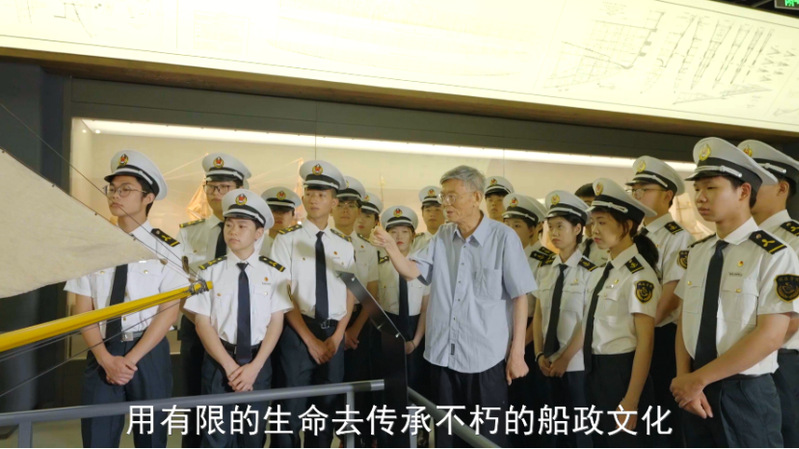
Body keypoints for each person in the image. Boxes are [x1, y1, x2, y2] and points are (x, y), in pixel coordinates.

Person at [371, 165, 534, 447]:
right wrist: (391, 247)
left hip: (485, 360)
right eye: (443, 196)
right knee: (448, 438)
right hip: (444, 357)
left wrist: (517, 354)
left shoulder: (503, 238)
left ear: (476, 197)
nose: (445, 203)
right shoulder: (443, 236)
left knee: (487, 439)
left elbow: (521, 297)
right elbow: (411, 271)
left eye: (452, 197)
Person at [671, 137, 799, 447]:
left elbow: (771, 336)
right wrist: (685, 378)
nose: (700, 197)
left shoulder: (775, 254)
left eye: (711, 188)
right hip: (695, 390)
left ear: (743, 192)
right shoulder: (699, 252)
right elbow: (686, 322)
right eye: (697, 189)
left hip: (744, 391)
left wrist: (697, 379)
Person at [64, 150, 186, 448]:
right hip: (102, 351)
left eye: (126, 189)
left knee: (152, 438)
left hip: (148, 352)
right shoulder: (93, 246)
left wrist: (129, 361)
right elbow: (83, 309)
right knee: (97, 438)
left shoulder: (168, 248)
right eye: (113, 189)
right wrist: (106, 360)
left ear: (148, 197)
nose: (115, 196)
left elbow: (168, 312)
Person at [184, 189, 292, 448]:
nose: (233, 231)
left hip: (258, 363)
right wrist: (229, 367)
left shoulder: (274, 273)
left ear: (258, 233)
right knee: (215, 438)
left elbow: (276, 322)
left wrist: (255, 367)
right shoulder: (208, 272)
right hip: (219, 363)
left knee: (252, 437)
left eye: (242, 226)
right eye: (229, 225)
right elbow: (202, 323)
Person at [269, 160, 357, 448]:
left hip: (333, 333)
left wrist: (338, 335)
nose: (314, 199)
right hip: (298, 332)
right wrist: (309, 340)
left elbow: (350, 292)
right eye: (310, 193)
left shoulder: (343, 244)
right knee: (290, 409)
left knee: (325, 411)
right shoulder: (287, 240)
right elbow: (283, 293)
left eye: (322, 194)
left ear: (334, 202)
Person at [177, 153, 251, 447]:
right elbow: (179, 286)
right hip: (195, 329)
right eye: (212, 187)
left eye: (225, 187)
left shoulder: (258, 236)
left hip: (241, 333)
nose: (217, 194)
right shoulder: (188, 234)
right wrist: (202, 322)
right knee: (195, 405)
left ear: (239, 190)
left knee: (241, 408)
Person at [583, 178, 659, 447]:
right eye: (593, 222)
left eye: (602, 222)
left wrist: (631, 400)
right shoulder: (603, 270)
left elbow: (645, 343)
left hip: (622, 373)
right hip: (594, 370)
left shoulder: (639, 276)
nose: (595, 229)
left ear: (626, 226)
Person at [626, 155, 695, 447]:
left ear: (667, 195)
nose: (637, 194)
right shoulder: (633, 236)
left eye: (645, 189)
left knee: (662, 414)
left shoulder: (677, 237)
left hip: (660, 335)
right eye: (634, 189)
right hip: (635, 335)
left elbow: (673, 294)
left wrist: (644, 330)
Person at [742, 139, 799, 448]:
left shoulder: (794, 240)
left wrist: (747, 354)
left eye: (758, 180)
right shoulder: (739, 240)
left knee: (784, 434)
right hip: (737, 360)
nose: (748, 187)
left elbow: (792, 319)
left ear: (782, 188)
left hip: (780, 358)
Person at [532, 189, 593, 448]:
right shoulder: (545, 269)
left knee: (578, 433)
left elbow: (588, 321)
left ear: (577, 228)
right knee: (551, 431)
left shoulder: (591, 271)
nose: (554, 233)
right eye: (551, 227)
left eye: (560, 226)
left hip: (575, 365)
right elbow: (539, 314)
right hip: (546, 362)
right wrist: (538, 353)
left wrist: (565, 358)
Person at [260, 186, 301, 257]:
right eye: (274, 211)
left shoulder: (299, 246)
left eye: (284, 212)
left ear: (293, 215)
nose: (279, 216)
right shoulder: (255, 244)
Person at [575, 183, 609, 267]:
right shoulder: (575, 245)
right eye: (578, 207)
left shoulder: (611, 245)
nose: (582, 211)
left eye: (588, 205)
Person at [411, 185, 445, 252]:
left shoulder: (453, 240)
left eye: (437, 210)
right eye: (428, 210)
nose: (432, 214)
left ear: (445, 213)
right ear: (422, 213)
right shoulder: (414, 243)